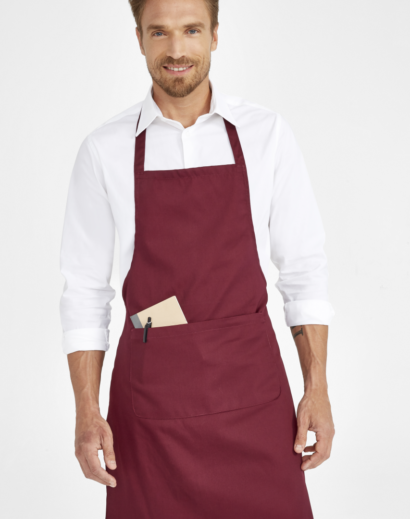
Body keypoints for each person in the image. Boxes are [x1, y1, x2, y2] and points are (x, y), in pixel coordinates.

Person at [59, 0, 336, 517]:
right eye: (159, 32)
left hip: (254, 401)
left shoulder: (266, 134)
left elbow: (303, 270)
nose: (176, 49)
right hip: (151, 411)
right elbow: (84, 292)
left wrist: (316, 389)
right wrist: (86, 411)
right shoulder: (104, 149)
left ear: (214, 35)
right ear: (139, 38)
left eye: (191, 30)